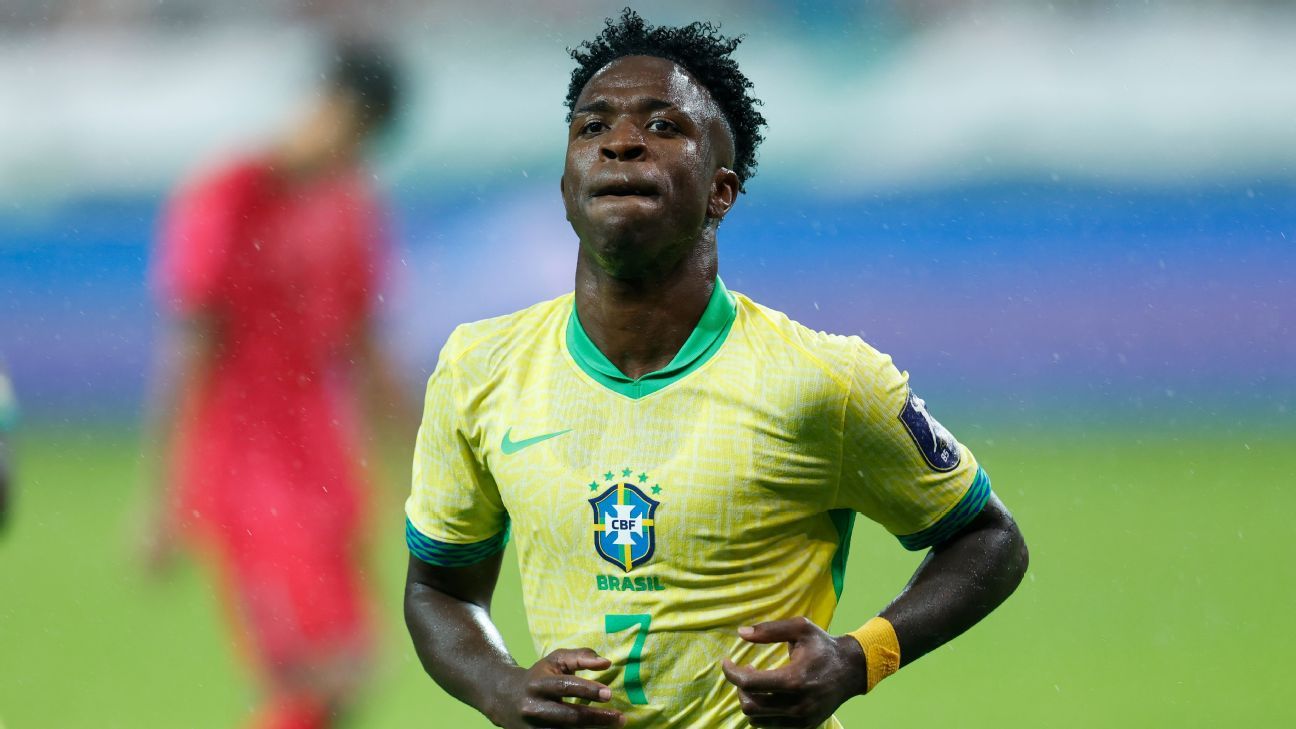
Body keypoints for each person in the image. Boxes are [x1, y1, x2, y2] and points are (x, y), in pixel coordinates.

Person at [403, 10, 1028, 729]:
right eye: (593, 126)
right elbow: (439, 588)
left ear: (720, 192)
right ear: (568, 188)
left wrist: (858, 660)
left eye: (663, 126)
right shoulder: (480, 367)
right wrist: (499, 686)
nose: (621, 142)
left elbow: (989, 539)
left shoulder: (822, 378)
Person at [143, 42, 410, 729]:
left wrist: (432, 460)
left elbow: (366, 344)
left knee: (349, 671)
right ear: (326, 104)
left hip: (322, 464)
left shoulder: (348, 204)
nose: (350, 151)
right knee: (309, 675)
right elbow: (192, 349)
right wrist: (165, 499)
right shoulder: (229, 194)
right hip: (248, 473)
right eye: (351, 130)